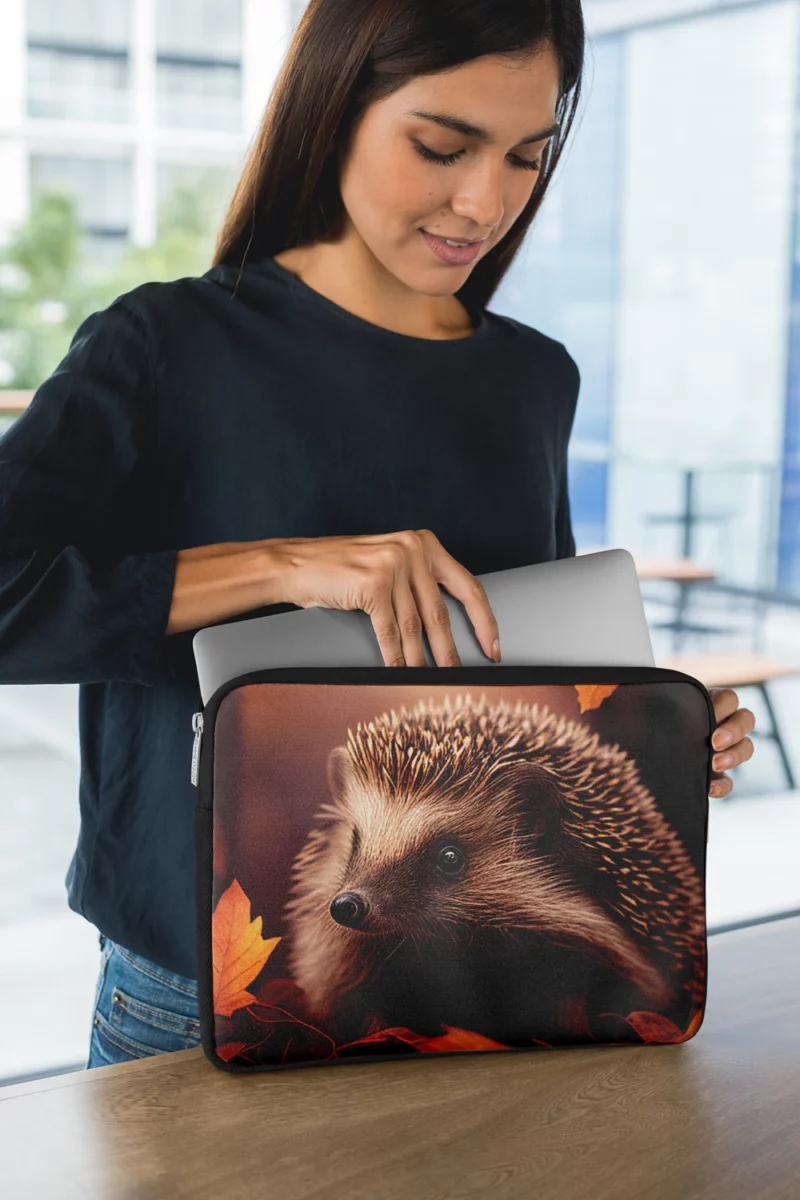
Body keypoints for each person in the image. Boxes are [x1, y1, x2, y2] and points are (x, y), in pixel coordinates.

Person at [0, 0, 755, 1070]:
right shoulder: (162, 344)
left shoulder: (535, 378)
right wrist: (286, 566)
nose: (482, 201)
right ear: (332, 109)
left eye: (524, 158)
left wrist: (664, 739)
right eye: (440, 146)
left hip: (487, 995)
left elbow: (523, 674)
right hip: (190, 999)